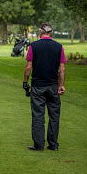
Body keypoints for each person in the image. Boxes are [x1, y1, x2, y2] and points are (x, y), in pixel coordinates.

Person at [23, 23, 66, 151]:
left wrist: (25, 82)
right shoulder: (59, 47)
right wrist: (61, 85)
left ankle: (39, 145)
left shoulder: (33, 46)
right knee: (54, 116)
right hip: (53, 86)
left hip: (38, 87)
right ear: (51, 33)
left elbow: (28, 67)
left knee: (38, 116)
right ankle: (53, 145)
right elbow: (62, 69)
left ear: (40, 32)